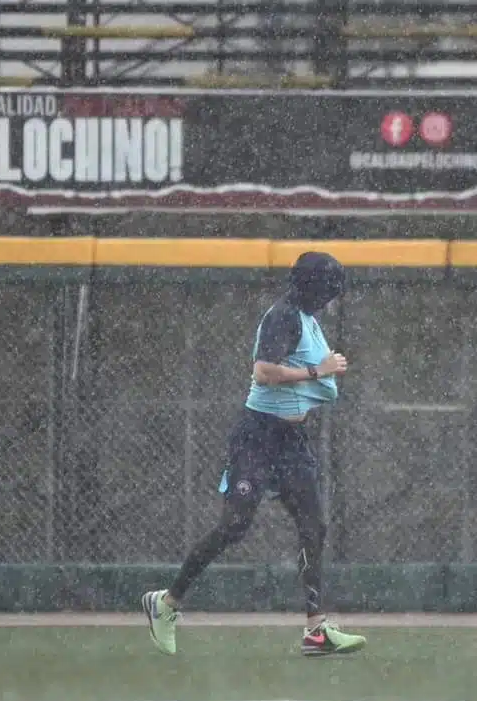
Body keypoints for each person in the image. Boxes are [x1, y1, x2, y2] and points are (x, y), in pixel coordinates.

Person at [142, 251, 367, 658]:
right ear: (313, 287)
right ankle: (167, 602)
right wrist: (318, 371)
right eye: (329, 289)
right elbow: (264, 371)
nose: (331, 298)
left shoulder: (309, 322)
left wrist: (323, 371)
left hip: (291, 442)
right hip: (257, 437)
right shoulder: (283, 316)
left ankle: (316, 630)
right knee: (235, 525)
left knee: (313, 526)